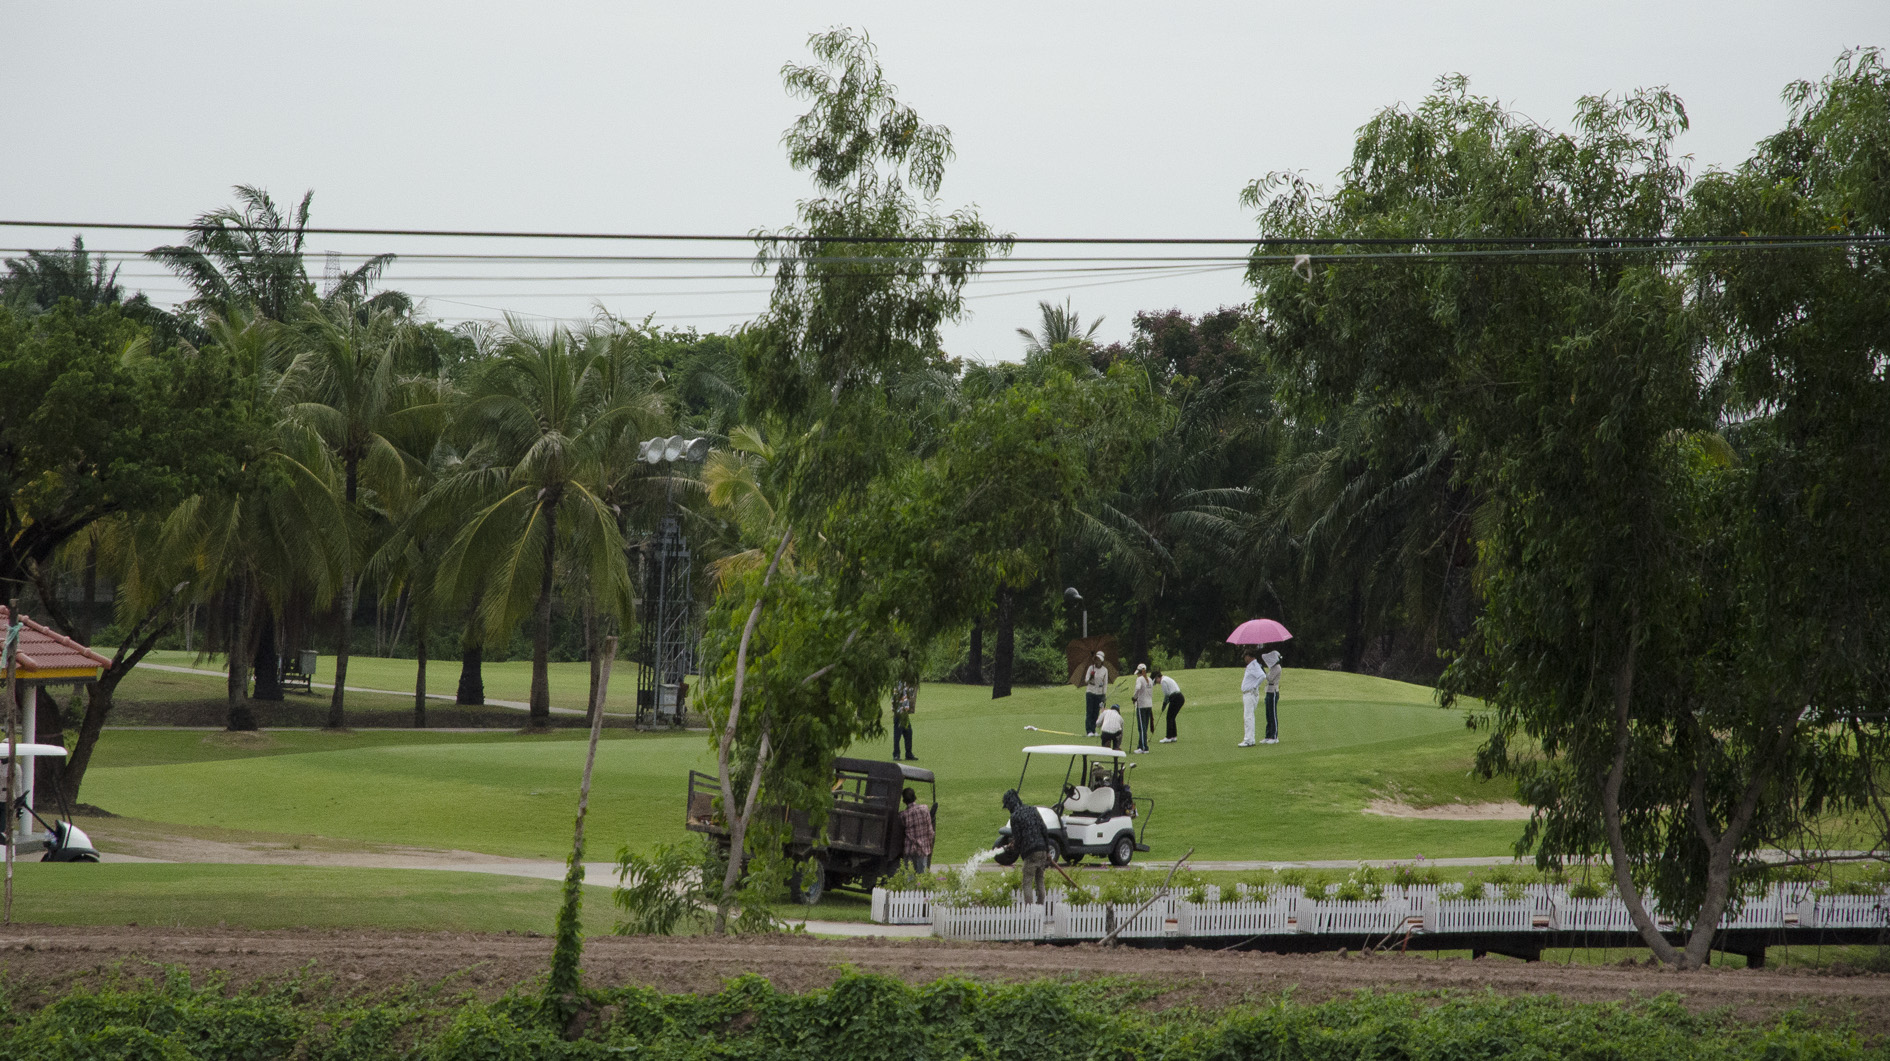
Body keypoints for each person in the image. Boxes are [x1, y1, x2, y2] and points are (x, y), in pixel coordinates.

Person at [1001, 789, 1050, 904]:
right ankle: (1041, 906)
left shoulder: (1015, 817)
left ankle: (1030, 910)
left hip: (1030, 852)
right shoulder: (1033, 810)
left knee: (1027, 882)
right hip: (1042, 848)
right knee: (1040, 880)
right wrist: (1047, 850)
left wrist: (1013, 849)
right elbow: (1044, 829)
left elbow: (1018, 838)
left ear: (1010, 804)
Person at [899, 787, 933, 873]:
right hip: (923, 848)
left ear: (904, 801)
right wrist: (929, 843)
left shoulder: (903, 815)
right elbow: (930, 830)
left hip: (909, 848)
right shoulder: (925, 809)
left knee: (909, 876)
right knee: (922, 876)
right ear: (915, 797)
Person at [1238, 647, 1262, 747]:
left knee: (1248, 717)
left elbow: (1262, 676)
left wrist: (1255, 686)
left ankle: (1249, 740)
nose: (1244, 658)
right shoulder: (1252, 666)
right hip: (1248, 694)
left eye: (1245, 656)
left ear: (1249, 656)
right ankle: (1250, 739)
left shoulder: (1254, 666)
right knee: (1249, 716)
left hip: (1250, 694)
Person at [1153, 667, 1184, 742]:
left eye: (1156, 681)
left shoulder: (1163, 681)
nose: (1157, 683)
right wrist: (1165, 704)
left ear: (1157, 677)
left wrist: (1164, 704)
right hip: (1180, 697)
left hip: (1176, 698)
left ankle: (1169, 737)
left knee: (1169, 717)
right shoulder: (1166, 678)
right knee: (1172, 717)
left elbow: (1166, 695)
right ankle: (1173, 736)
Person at [1082, 651, 1109, 737]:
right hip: (1090, 692)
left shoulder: (1105, 670)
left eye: (1099, 660)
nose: (1097, 661)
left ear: (1102, 661)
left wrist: (1104, 694)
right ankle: (1089, 730)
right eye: (1096, 659)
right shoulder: (1091, 668)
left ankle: (1093, 730)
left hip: (1099, 693)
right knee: (1089, 711)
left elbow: (1105, 684)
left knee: (1096, 712)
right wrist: (1091, 676)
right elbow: (1086, 680)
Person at [1131, 663, 1154, 753]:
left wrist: (1134, 697)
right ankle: (1140, 745)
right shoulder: (1150, 679)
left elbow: (1137, 688)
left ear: (1139, 672)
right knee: (1145, 726)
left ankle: (1144, 748)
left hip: (1141, 705)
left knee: (1141, 727)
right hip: (1149, 705)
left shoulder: (1139, 679)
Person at [890, 680, 916, 760]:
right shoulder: (898, 684)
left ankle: (909, 754)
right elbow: (895, 698)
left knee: (908, 733)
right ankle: (896, 755)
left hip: (905, 714)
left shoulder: (906, 684)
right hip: (899, 713)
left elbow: (911, 695)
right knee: (897, 735)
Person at [1262, 649, 1283, 744]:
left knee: (1273, 714)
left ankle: (1274, 736)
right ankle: (1268, 735)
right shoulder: (1272, 667)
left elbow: (1270, 678)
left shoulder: (1277, 668)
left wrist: (1263, 671)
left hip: (1273, 691)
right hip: (1268, 691)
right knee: (1268, 714)